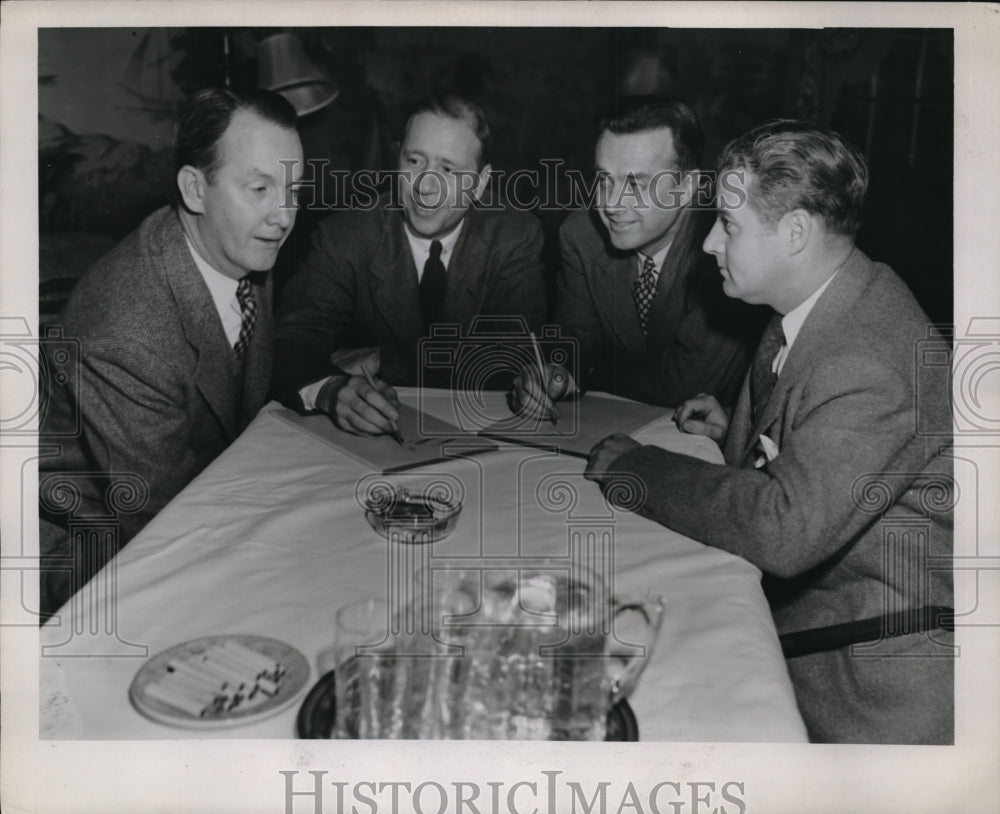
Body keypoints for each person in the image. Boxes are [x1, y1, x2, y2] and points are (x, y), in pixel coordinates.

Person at [585, 120, 954, 744]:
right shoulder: (819, 302)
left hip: (865, 680)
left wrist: (635, 468)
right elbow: (825, 452)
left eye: (727, 225)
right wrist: (746, 433)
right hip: (813, 626)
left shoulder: (870, 361)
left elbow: (783, 531)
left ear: (796, 233)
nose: (706, 245)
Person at [38, 88, 304, 620]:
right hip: (97, 550)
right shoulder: (125, 326)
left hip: (198, 500)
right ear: (195, 189)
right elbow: (164, 521)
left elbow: (236, 414)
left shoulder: (241, 248)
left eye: (294, 189)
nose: (284, 215)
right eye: (259, 188)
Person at [271, 93, 547, 437]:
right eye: (415, 161)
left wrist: (389, 360)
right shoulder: (346, 233)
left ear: (480, 182)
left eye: (448, 169)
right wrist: (329, 391)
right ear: (396, 157)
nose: (425, 187)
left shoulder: (514, 235)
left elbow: (507, 360)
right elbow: (288, 339)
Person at [511, 97, 764, 419]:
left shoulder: (723, 247)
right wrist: (553, 372)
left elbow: (686, 383)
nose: (612, 204)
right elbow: (573, 340)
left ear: (686, 188)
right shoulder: (581, 235)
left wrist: (585, 373)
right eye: (604, 180)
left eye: (636, 184)